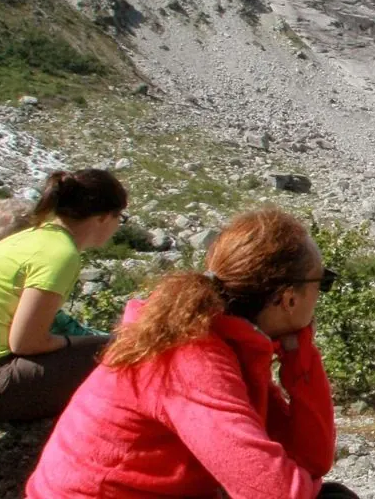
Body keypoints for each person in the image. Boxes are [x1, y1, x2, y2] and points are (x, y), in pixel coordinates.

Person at [26, 207, 358, 499]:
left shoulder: (229, 341)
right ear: (289, 299)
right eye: (322, 282)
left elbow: (311, 458)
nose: (321, 293)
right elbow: (275, 492)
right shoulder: (192, 355)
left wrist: (298, 351)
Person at [0, 170, 125, 421]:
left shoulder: (33, 238)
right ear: (103, 217)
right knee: (126, 353)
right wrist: (76, 343)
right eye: (119, 217)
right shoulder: (59, 254)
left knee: (109, 347)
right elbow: (25, 342)